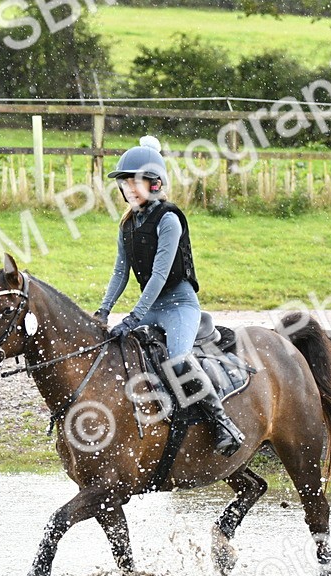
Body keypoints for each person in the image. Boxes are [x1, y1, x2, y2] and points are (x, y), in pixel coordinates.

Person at [95, 135, 245, 457]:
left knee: (178, 360)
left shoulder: (169, 219)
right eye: (125, 183)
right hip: (152, 307)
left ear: (155, 183)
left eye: (137, 182)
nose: (130, 189)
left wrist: (132, 317)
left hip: (179, 305)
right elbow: (120, 273)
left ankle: (223, 424)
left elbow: (161, 276)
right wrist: (103, 312)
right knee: (119, 354)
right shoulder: (127, 226)